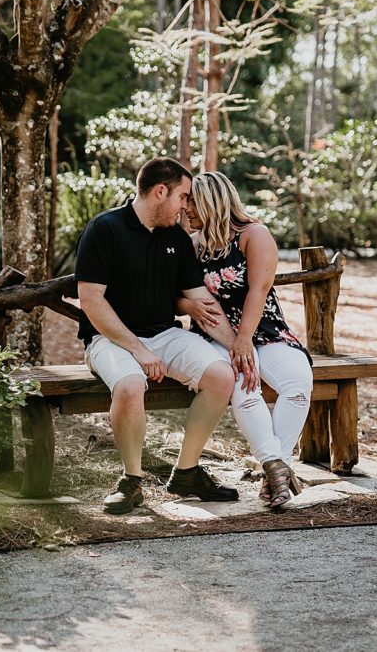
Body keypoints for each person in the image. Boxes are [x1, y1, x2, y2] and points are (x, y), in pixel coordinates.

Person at [75, 157, 241, 515]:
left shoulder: (175, 239)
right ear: (160, 191)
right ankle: (131, 481)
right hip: (109, 338)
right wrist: (137, 350)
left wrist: (240, 349)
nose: (186, 206)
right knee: (132, 384)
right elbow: (91, 301)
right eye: (182, 197)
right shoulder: (104, 229)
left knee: (221, 375)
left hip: (164, 333)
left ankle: (186, 472)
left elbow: (203, 303)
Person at [179, 171, 313, 508]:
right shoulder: (192, 246)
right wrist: (191, 307)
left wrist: (244, 341)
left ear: (211, 201)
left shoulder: (254, 235)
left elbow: (259, 290)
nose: (185, 209)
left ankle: (275, 468)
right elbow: (177, 296)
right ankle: (276, 469)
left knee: (298, 382)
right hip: (214, 336)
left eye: (191, 201)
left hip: (263, 330)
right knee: (243, 384)